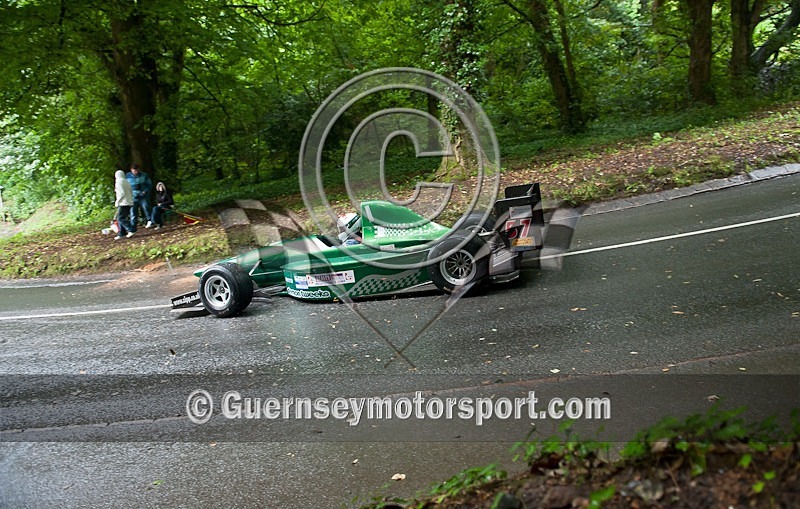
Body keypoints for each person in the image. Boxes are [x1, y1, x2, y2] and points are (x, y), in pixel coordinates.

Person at [126, 163, 152, 230]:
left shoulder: (144, 175)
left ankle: (149, 220)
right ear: (131, 170)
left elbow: (149, 185)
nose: (136, 172)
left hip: (143, 195)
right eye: (134, 170)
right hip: (133, 196)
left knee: (146, 207)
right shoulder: (127, 176)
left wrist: (145, 191)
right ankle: (133, 226)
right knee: (133, 211)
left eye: (137, 170)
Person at [113, 170, 135, 240]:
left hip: (123, 203)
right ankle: (121, 233)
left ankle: (131, 229)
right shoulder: (126, 181)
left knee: (120, 218)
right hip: (129, 202)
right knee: (121, 218)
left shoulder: (119, 182)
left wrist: (117, 202)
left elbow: (121, 193)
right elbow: (131, 191)